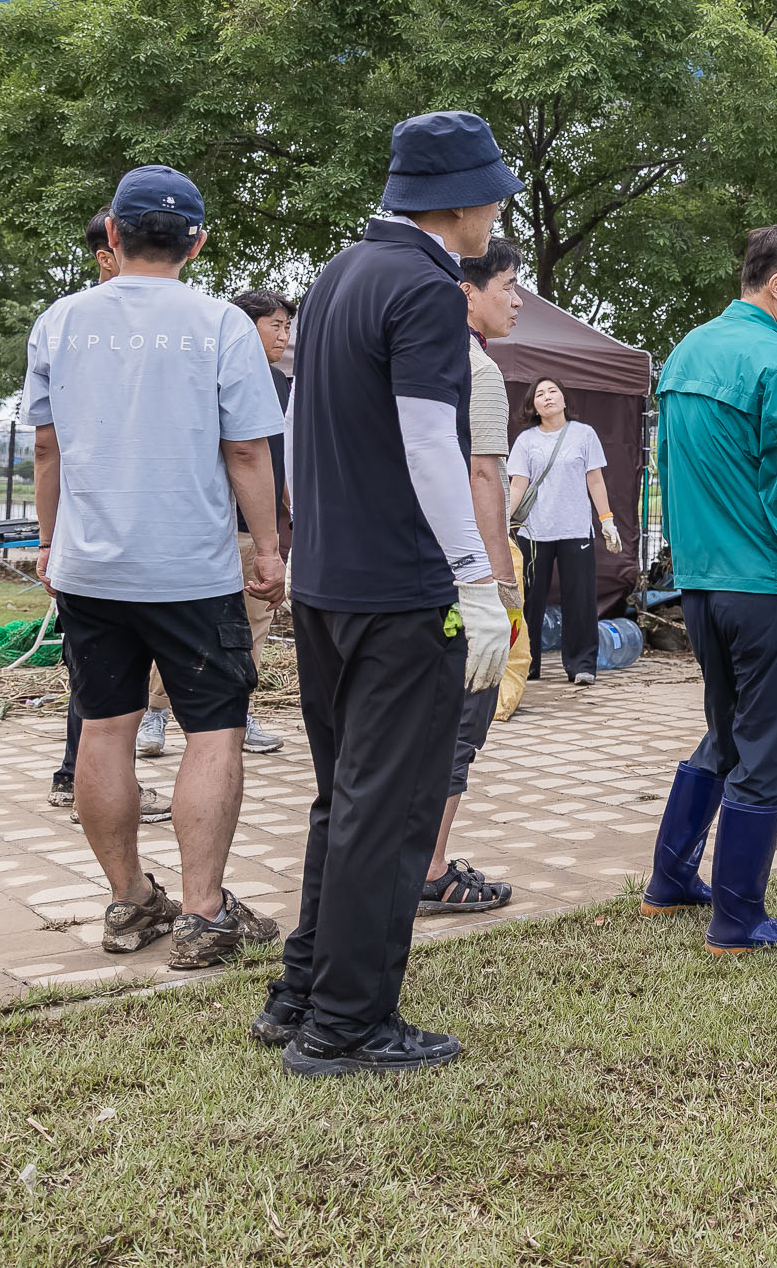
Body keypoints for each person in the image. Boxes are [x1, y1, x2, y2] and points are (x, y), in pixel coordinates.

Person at [252, 111, 518, 1077]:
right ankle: (348, 1022)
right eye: (492, 197)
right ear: (456, 200)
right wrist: (475, 578)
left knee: (345, 798)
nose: (497, 215)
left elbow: (297, 426)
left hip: (329, 582)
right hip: (402, 589)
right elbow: (431, 444)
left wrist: (302, 542)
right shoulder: (427, 288)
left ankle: (302, 989)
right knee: (394, 807)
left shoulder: (336, 275)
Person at [26, 166, 289, 969]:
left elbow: (47, 446)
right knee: (213, 731)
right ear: (197, 242)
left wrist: (49, 541)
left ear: (112, 233)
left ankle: (129, 900)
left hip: (90, 568)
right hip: (191, 569)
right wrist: (268, 548)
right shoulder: (221, 325)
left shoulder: (60, 322)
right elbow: (246, 449)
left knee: (104, 726)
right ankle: (204, 914)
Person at [640, 224, 777, 955]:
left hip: (702, 585)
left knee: (727, 731)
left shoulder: (686, 352)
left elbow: (667, 465)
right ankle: (739, 918)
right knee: (769, 747)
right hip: (770, 589)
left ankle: (671, 878)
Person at [416, 241, 529, 918]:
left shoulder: (407, 355)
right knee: (461, 723)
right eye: (508, 286)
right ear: (468, 292)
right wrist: (499, 588)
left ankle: (391, 861)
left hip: (400, 572)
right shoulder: (477, 369)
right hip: (460, 580)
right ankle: (429, 870)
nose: (517, 301)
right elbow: (484, 477)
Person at [46, 211, 171, 824]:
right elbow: (47, 445)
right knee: (105, 693)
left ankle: (83, 780)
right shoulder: (78, 326)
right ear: (107, 252)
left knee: (103, 684)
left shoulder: (67, 325)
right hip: (121, 546)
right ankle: (80, 781)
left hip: (99, 546)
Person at [134, 291, 291, 761]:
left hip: (260, 528)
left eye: (287, 326)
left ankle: (241, 712)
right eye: (275, 325)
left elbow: (275, 454)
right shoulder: (207, 370)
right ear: (243, 325)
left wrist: (287, 510)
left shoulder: (280, 382)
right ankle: (155, 711)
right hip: (211, 522)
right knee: (187, 623)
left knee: (255, 621)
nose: (284, 336)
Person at [508, 376, 621, 686]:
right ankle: (526, 664)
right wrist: (503, 520)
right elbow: (518, 485)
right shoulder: (526, 441)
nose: (547, 397)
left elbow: (595, 480)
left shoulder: (584, 434)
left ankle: (582, 665)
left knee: (580, 600)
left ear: (564, 399)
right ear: (533, 406)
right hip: (533, 532)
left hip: (575, 529)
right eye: (540, 394)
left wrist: (606, 520)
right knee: (529, 600)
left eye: (552, 391)